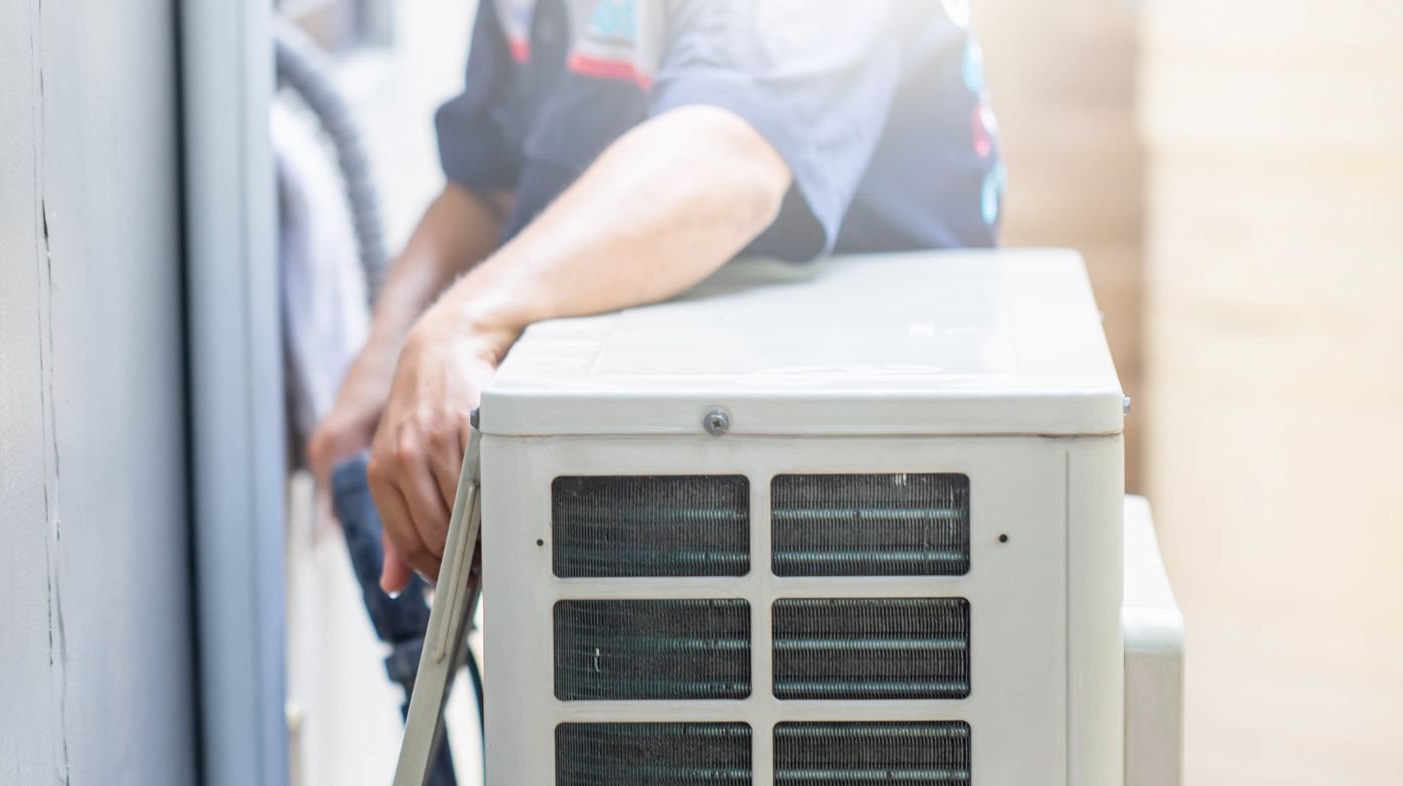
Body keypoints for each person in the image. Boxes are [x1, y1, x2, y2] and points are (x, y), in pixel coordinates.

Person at [308, 0, 1003, 592]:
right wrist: (386, 360)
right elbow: (490, 187)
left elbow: (728, 159)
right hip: (651, 486)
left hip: (863, 497)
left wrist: (460, 324)